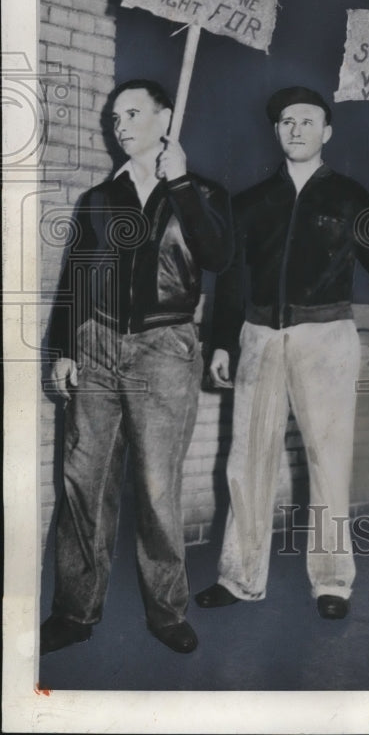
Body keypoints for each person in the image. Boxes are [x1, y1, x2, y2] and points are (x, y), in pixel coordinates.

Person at [43, 79, 233, 655]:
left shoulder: (201, 192)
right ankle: (75, 611)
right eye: (113, 116)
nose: (118, 125)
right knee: (84, 483)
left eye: (131, 113)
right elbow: (74, 278)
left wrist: (179, 182)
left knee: (157, 488)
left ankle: (168, 611)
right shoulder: (100, 198)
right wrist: (64, 349)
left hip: (165, 347)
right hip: (96, 344)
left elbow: (219, 256)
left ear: (164, 118)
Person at [195, 86, 369, 621]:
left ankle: (332, 581)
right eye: (286, 121)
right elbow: (233, 277)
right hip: (258, 338)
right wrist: (219, 342)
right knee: (246, 462)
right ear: (277, 132)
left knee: (329, 461)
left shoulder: (351, 197)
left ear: (327, 132)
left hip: (326, 339)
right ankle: (239, 577)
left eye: (307, 121)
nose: (296, 129)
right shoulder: (251, 201)